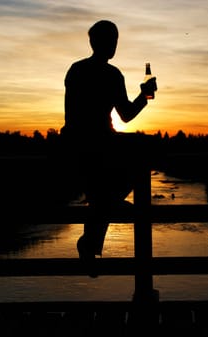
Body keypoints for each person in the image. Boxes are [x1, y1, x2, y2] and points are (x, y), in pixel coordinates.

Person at [61, 20, 157, 277]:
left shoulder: (76, 70)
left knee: (102, 197)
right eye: (111, 40)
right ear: (99, 43)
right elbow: (125, 115)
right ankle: (101, 223)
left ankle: (92, 239)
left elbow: (72, 117)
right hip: (99, 144)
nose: (114, 45)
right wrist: (145, 97)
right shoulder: (112, 74)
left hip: (75, 144)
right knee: (141, 155)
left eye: (115, 40)